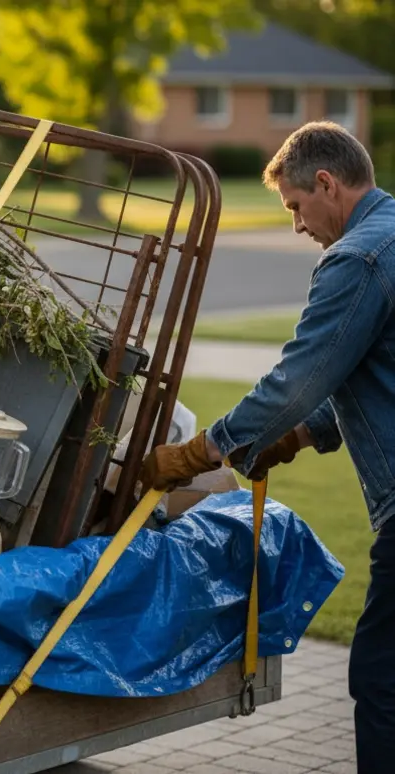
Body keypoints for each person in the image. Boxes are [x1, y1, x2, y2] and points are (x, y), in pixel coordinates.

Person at [138, 120, 395, 773]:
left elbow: (299, 378)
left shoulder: (357, 258)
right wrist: (306, 435)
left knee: (381, 679)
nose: (297, 227)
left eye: (295, 207)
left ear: (327, 184)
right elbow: (373, 371)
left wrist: (201, 452)